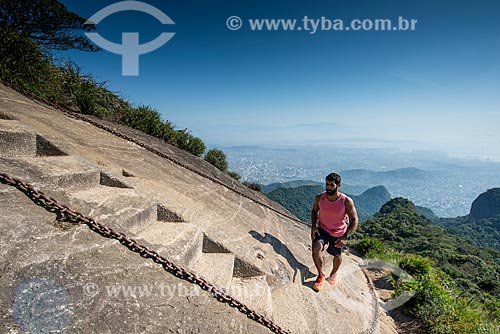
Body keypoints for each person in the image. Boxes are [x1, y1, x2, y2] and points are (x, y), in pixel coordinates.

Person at [310, 172, 358, 291]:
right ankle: (321, 274)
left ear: (338, 185)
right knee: (316, 247)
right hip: (323, 229)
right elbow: (314, 211)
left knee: (337, 256)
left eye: (331, 185)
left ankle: (333, 274)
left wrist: (346, 236)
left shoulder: (346, 201)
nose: (328, 188)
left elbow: (354, 220)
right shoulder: (320, 197)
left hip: (339, 232)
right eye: (326, 184)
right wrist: (314, 227)